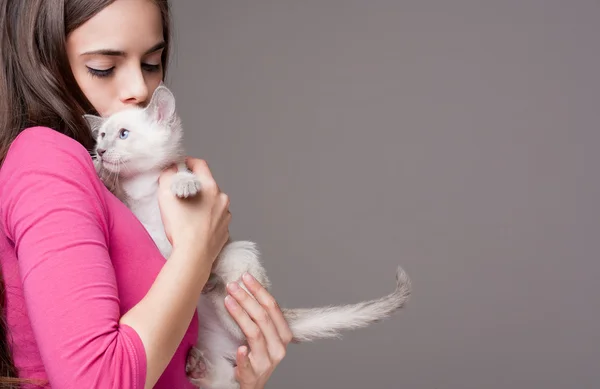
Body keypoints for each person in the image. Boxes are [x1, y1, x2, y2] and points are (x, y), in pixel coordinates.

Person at [0, 1, 292, 388]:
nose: (139, 89)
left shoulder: (103, 181)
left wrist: (239, 380)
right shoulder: (46, 159)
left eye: (152, 63)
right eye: (103, 67)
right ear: (42, 64)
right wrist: (196, 250)